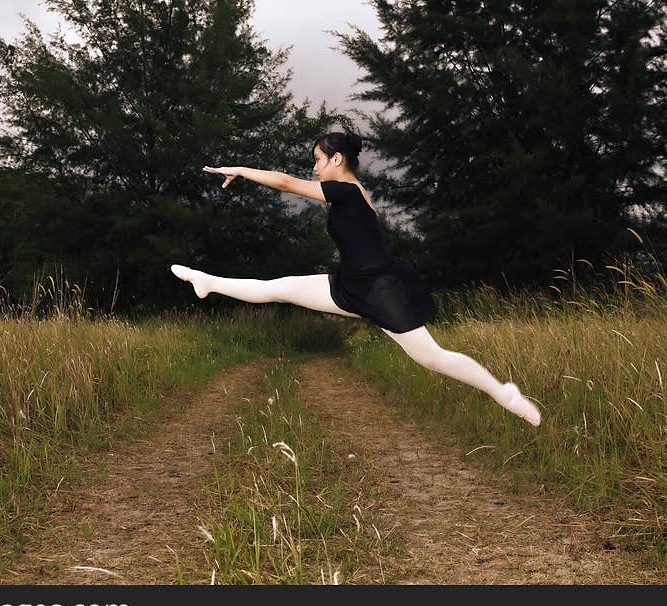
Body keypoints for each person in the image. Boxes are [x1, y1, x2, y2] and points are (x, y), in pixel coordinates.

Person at [169, 131, 541, 427]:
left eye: (317, 160)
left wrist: (240, 169)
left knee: (432, 358)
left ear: (337, 159)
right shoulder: (353, 194)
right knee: (278, 287)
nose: (314, 168)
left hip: (379, 290)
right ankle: (206, 280)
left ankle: (506, 395)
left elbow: (284, 182)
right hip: (348, 285)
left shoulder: (347, 190)